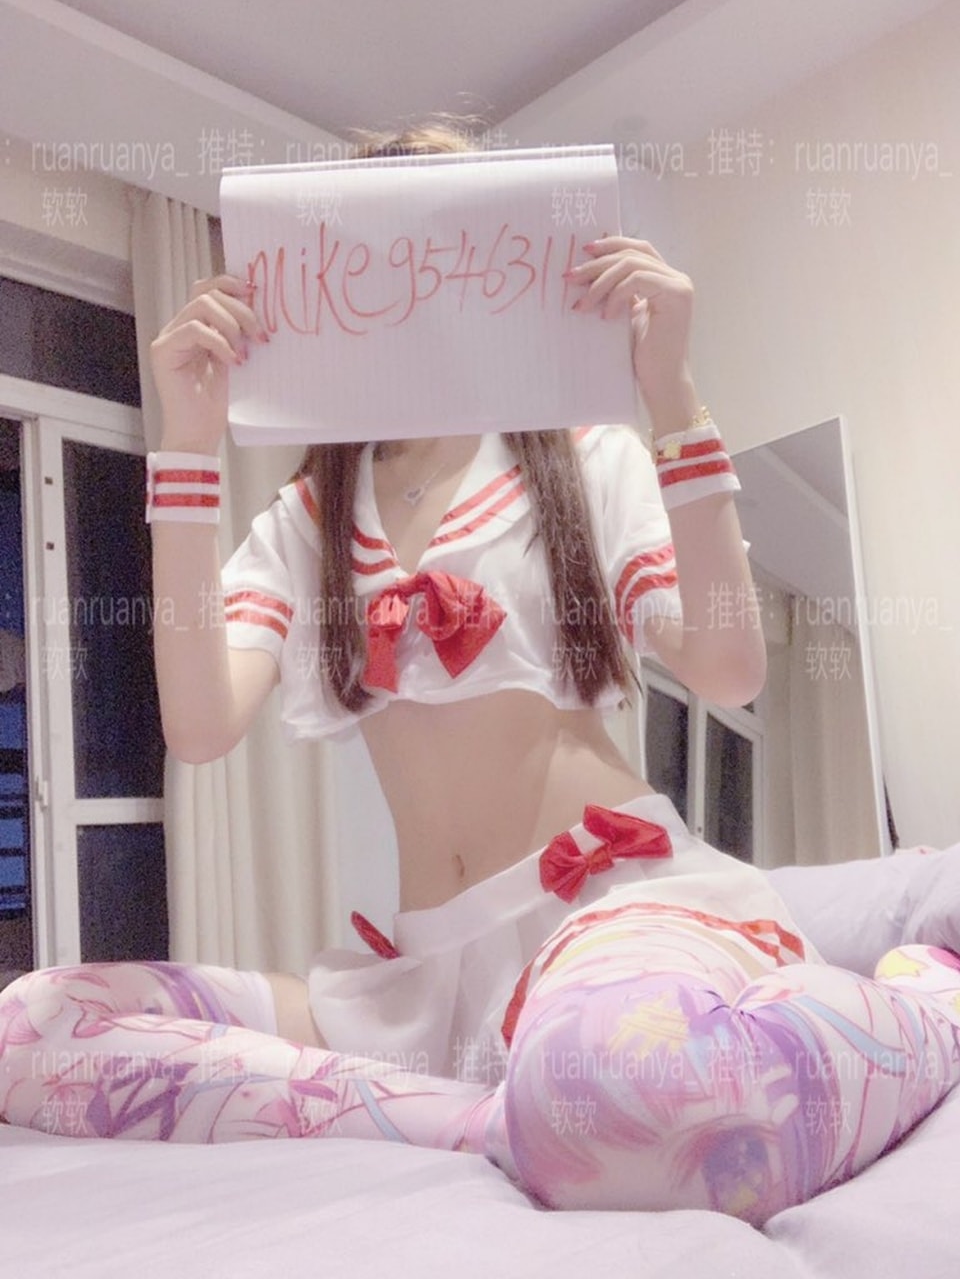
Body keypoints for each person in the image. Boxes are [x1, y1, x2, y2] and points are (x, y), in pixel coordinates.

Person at [2, 125, 959, 1225]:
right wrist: (187, 445)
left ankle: (929, 1008)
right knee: (34, 1027)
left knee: (626, 1086)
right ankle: (483, 1118)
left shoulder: (579, 460)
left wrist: (672, 395)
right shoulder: (307, 521)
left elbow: (730, 665)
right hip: (425, 982)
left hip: (611, 911)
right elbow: (201, 723)